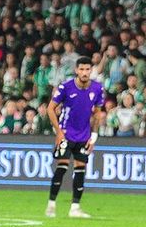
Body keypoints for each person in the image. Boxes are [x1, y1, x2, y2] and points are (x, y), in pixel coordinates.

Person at [45, 57, 104, 218]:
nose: (84, 73)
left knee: (80, 169)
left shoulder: (98, 88)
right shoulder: (66, 86)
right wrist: (58, 131)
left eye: (87, 69)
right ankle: (51, 204)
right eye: (81, 69)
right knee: (62, 167)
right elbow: (50, 109)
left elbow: (98, 113)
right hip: (66, 134)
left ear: (91, 70)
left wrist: (94, 136)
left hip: (84, 136)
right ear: (77, 70)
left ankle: (75, 208)